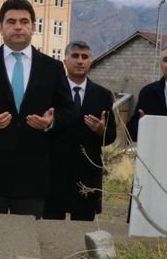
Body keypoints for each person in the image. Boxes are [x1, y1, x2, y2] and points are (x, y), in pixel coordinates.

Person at [0, 0, 74, 218]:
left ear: (33, 27)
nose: (18, 26)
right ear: (0, 27)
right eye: (11, 21)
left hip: (33, 177)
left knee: (26, 245)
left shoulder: (52, 68)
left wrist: (51, 122)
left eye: (24, 21)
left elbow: (69, 112)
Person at [44, 41, 117, 221]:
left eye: (84, 57)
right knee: (51, 229)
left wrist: (101, 131)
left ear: (90, 62)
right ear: (65, 61)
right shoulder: (50, 91)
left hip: (87, 173)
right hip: (55, 171)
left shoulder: (103, 94)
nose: (80, 61)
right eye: (75, 56)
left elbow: (111, 135)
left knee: (83, 229)